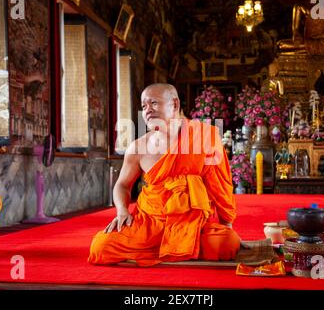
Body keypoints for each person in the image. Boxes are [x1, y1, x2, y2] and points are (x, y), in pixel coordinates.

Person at [88, 83, 241, 266]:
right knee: (100, 246)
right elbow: (122, 185)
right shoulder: (138, 147)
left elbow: (220, 184)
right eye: (144, 106)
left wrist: (226, 227)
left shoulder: (203, 137)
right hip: (150, 223)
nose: (148, 110)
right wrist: (122, 211)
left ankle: (174, 246)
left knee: (228, 243)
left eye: (153, 103)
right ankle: (171, 248)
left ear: (174, 104)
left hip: (190, 224)